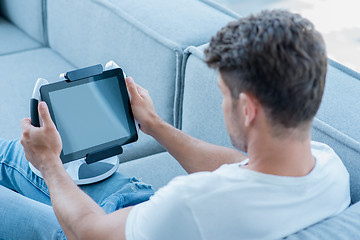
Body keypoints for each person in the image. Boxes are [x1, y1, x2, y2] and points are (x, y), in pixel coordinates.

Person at [0, 9, 350, 240]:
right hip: (141, 213)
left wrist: (48, 163)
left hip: (94, 230)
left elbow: (87, 231)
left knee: (38, 162)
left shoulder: (194, 203)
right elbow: (239, 166)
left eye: (223, 95)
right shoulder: (327, 166)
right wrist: (154, 125)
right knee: (10, 154)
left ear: (247, 109)